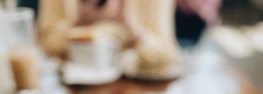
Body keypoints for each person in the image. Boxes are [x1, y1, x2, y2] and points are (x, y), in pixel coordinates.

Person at [38, 0, 178, 58]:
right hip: (73, 92)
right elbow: (46, 45)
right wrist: (78, 24)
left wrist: (132, 30)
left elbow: (167, 53)